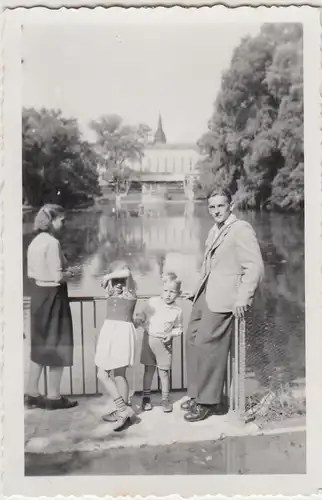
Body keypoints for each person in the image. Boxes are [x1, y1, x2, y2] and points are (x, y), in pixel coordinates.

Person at [182, 188, 264, 422]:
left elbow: (254, 267)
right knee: (192, 341)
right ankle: (197, 394)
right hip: (205, 295)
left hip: (224, 299)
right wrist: (196, 289)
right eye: (212, 207)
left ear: (231, 205)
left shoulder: (240, 229)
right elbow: (209, 266)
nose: (216, 211)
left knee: (208, 347)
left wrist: (243, 298)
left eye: (220, 206)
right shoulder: (214, 229)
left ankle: (208, 402)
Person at [25, 204, 79, 410]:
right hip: (54, 297)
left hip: (38, 296)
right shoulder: (53, 242)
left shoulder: (35, 242)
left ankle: (31, 393)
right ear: (53, 220)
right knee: (58, 344)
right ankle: (54, 397)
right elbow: (58, 277)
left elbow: (32, 274)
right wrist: (70, 275)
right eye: (61, 220)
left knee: (40, 344)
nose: (63, 224)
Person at [94, 260, 137, 431]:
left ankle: (122, 410)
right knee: (103, 373)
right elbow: (118, 276)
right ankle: (124, 410)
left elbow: (126, 273)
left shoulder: (131, 291)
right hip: (109, 333)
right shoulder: (110, 291)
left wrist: (109, 276)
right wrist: (109, 278)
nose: (119, 284)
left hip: (122, 333)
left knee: (118, 374)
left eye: (121, 281)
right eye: (116, 281)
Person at [137, 272, 183, 413]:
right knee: (149, 370)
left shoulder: (178, 310)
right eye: (166, 291)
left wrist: (171, 334)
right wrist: (138, 320)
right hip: (149, 339)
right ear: (161, 290)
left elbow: (179, 328)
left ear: (178, 293)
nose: (168, 294)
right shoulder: (152, 302)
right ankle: (146, 398)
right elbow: (141, 315)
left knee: (164, 373)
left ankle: (165, 399)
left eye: (172, 292)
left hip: (165, 343)